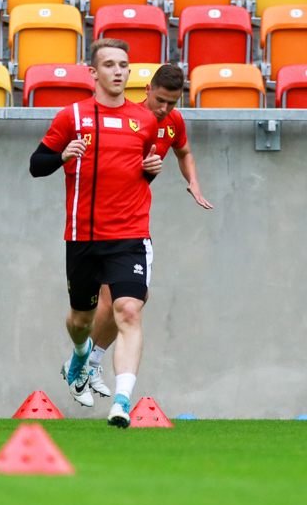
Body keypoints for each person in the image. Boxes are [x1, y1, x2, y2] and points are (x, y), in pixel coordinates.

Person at [63, 63, 213, 406]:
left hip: (129, 225)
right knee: (101, 307)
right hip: (96, 224)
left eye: (172, 103)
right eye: (160, 100)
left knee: (128, 303)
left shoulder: (173, 122)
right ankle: (84, 361)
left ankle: (90, 363)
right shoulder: (128, 118)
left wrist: (193, 181)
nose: (164, 109)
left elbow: (184, 151)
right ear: (147, 90)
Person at [30, 38, 161, 428]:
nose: (118, 71)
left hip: (130, 234)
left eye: (123, 65)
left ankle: (121, 402)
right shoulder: (71, 116)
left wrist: (151, 169)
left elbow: (140, 171)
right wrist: (62, 156)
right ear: (93, 72)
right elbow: (36, 164)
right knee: (80, 320)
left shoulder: (145, 120)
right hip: (83, 236)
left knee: (129, 311)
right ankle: (79, 355)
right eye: (109, 65)